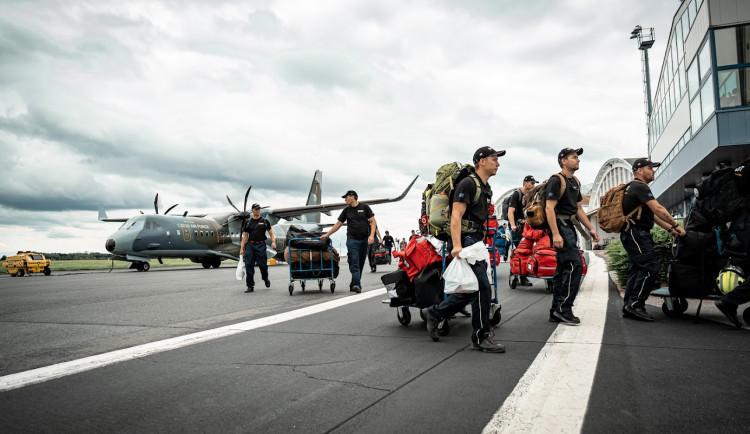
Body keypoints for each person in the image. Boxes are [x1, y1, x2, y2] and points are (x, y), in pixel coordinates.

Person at [422, 146, 507, 353]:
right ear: (481, 161)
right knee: (483, 287)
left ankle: (435, 313)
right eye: (494, 159)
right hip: (465, 241)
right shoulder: (468, 183)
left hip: (475, 240)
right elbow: (456, 217)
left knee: (472, 289)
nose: (498, 163)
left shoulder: (485, 188)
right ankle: (480, 337)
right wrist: (458, 245)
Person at [621, 158, 687, 321]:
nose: (653, 170)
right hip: (636, 233)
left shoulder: (635, 188)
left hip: (634, 233)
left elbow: (653, 215)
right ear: (640, 170)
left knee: (637, 269)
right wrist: (676, 225)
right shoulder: (639, 187)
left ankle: (629, 305)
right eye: (650, 168)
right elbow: (658, 209)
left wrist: (670, 229)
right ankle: (636, 305)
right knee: (650, 266)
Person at [545, 148, 600, 324]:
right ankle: (564, 308)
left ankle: (556, 310)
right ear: (563, 161)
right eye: (574, 157)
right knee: (575, 264)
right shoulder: (556, 180)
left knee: (563, 268)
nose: (578, 160)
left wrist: (591, 228)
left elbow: (578, 209)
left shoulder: (575, 181)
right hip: (560, 226)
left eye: (578, 157)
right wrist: (555, 233)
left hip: (570, 225)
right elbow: (549, 208)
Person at [321, 190, 376, 293]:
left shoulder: (364, 207)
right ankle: (357, 285)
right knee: (354, 262)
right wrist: (327, 234)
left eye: (346, 197)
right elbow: (338, 224)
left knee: (360, 263)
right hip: (352, 240)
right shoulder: (346, 211)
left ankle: (353, 283)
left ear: (352, 197)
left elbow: (373, 221)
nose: (345, 199)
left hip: (364, 240)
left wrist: (372, 236)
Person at [507, 175, 538, 286]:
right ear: (525, 183)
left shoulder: (532, 195)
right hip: (518, 227)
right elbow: (510, 211)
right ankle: (520, 275)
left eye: (534, 183)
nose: (533, 185)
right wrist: (513, 225)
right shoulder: (517, 194)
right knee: (521, 251)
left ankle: (522, 273)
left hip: (527, 227)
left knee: (528, 250)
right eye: (531, 183)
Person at [239, 203, 277, 293]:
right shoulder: (247, 222)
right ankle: (250, 286)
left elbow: (271, 233)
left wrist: (273, 242)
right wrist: (241, 248)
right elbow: (245, 237)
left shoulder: (265, 221)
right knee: (248, 265)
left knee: (263, 265)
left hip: (261, 245)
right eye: (256, 209)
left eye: (259, 209)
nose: (258, 210)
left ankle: (265, 278)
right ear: (252, 210)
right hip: (250, 245)